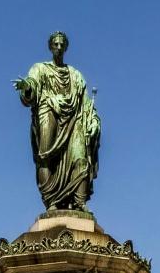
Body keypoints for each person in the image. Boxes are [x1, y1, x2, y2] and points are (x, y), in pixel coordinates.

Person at [14, 31, 101, 211]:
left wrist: (93, 121)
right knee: (45, 156)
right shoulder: (40, 68)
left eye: (62, 45)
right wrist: (27, 88)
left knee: (81, 157)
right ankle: (51, 200)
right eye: (56, 44)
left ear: (66, 48)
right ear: (50, 46)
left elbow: (86, 105)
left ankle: (79, 201)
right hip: (49, 113)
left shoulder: (76, 75)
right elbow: (32, 84)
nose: (59, 47)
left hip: (74, 120)